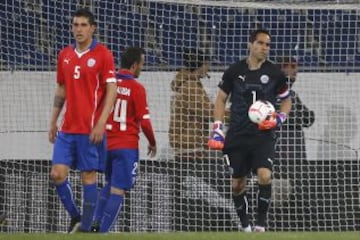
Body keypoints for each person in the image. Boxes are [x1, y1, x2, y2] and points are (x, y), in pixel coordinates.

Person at [208, 29, 292, 232]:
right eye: (261, 43)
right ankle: (245, 227)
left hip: (263, 135)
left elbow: (286, 100)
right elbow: (220, 99)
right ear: (250, 44)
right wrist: (218, 128)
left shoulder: (275, 73)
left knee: (265, 176)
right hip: (237, 135)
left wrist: (279, 118)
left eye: (268, 45)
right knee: (237, 185)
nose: (265, 48)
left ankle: (261, 225)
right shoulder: (234, 71)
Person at [48, 8, 117, 233]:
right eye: (75, 25)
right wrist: (53, 120)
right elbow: (62, 88)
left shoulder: (103, 54)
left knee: (88, 176)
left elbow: (112, 91)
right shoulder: (64, 55)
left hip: (90, 129)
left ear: (92, 28)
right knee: (56, 174)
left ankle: (86, 229)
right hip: (67, 129)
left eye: (83, 25)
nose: (78, 29)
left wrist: (101, 123)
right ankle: (76, 216)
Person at [91, 47, 157, 233]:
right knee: (118, 189)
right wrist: (152, 141)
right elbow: (144, 122)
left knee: (110, 183)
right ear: (135, 65)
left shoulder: (107, 84)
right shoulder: (137, 88)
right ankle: (102, 231)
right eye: (142, 64)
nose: (142, 68)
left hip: (105, 144)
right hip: (126, 146)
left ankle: (95, 221)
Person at [169, 48, 232, 231]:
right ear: (200, 65)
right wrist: (237, 115)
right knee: (198, 200)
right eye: (206, 63)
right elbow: (208, 111)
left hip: (189, 147)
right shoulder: (190, 87)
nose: (208, 67)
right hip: (190, 150)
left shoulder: (188, 85)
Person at [274, 56, 315, 229]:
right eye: (290, 67)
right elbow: (302, 117)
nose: (295, 70)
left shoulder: (292, 95)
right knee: (279, 192)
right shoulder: (274, 92)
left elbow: (307, 119)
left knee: (292, 193)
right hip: (282, 153)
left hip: (295, 153)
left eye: (295, 67)